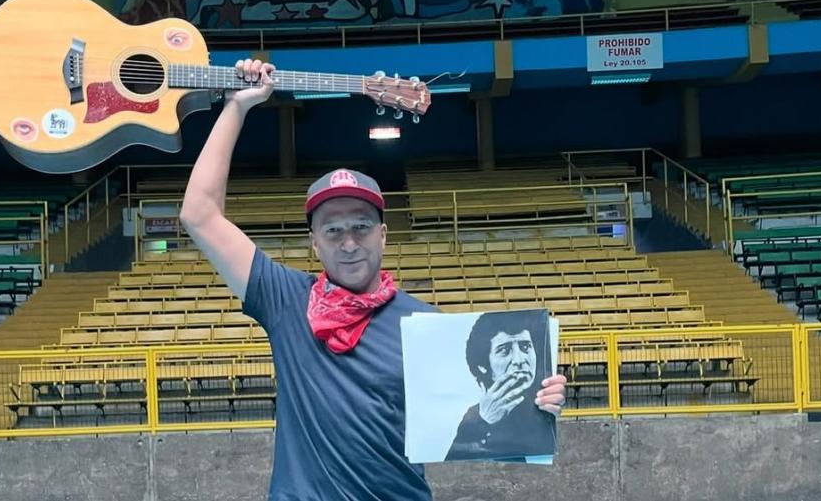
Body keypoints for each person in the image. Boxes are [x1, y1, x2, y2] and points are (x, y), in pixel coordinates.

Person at [179, 58, 568, 501]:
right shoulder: (285, 300)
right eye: (333, 230)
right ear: (314, 244)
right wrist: (238, 106)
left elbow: (479, 423)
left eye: (361, 227)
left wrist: (541, 401)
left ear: (383, 234)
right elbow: (199, 214)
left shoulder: (427, 328)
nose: (348, 243)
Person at [445, 310, 556, 461]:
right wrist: (482, 421)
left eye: (525, 347)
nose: (519, 360)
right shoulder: (475, 417)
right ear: (483, 366)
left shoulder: (545, 398)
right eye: (505, 350)